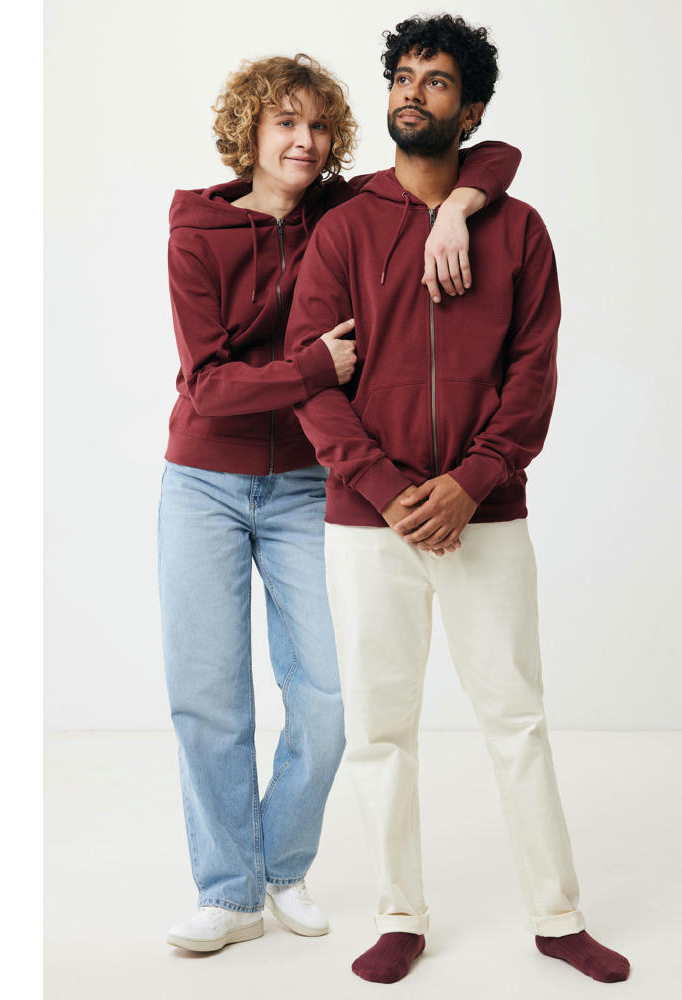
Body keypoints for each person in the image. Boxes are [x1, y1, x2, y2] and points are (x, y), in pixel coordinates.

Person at [285, 16, 631, 984]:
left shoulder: (517, 230)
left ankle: (556, 917)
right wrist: (388, 487)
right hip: (370, 523)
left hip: (487, 516)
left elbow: (532, 375)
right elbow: (313, 379)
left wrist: (473, 479)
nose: (413, 90)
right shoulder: (343, 227)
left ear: (469, 110)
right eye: (403, 75)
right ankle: (399, 912)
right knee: (378, 729)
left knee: (515, 717)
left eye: (436, 80)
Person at [158, 52, 521, 954]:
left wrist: (458, 209)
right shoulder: (196, 231)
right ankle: (229, 891)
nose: (306, 141)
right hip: (202, 480)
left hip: (306, 484)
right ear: (249, 132)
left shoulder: (341, 208)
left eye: (320, 126)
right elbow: (207, 389)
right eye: (285, 123)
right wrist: (313, 369)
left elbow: (489, 155)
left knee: (328, 697)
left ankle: (283, 865)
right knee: (209, 698)